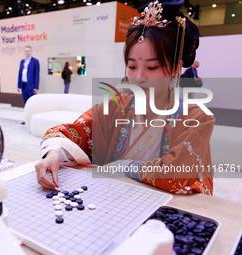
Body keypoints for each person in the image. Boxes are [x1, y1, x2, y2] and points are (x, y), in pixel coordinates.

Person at [35, 0, 215, 196]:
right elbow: (72, 134)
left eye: (151, 67)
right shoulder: (114, 109)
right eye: (132, 66)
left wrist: (122, 166)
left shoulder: (197, 119)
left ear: (175, 68)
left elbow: (176, 173)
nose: (138, 78)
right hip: (114, 204)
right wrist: (54, 154)